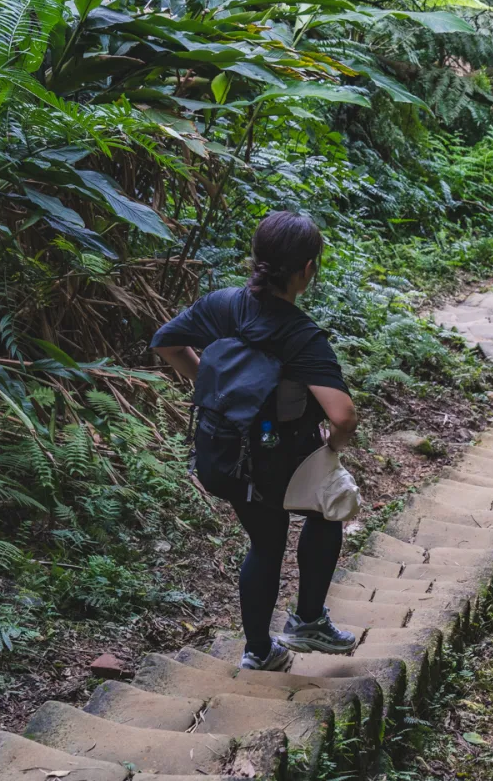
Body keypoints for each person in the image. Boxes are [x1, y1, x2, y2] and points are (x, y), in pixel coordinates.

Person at [151, 211, 358, 671]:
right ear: (307, 270)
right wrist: (334, 445)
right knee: (327, 510)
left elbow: (166, 342)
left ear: (256, 258)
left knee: (265, 544)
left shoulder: (224, 305)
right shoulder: (301, 335)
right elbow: (342, 414)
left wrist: (215, 387)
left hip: (225, 451)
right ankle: (307, 620)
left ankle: (259, 651)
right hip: (279, 457)